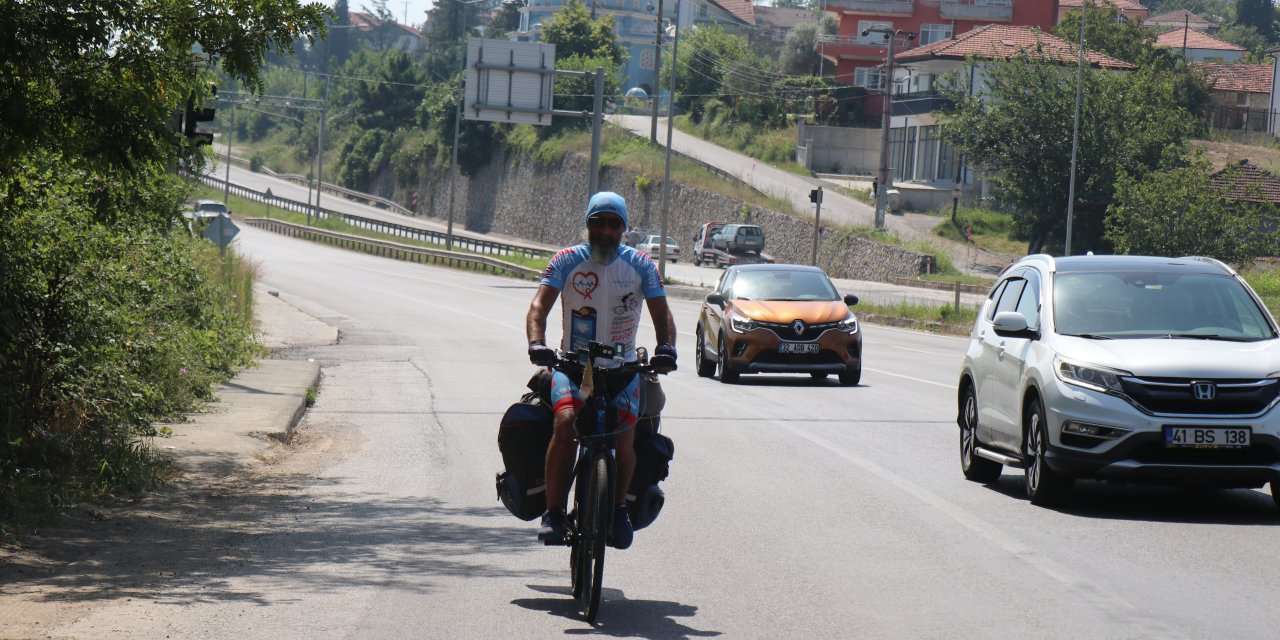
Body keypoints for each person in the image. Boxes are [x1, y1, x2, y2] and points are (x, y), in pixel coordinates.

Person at [526, 191, 677, 550]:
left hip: (623, 370)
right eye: (599, 223)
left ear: (624, 229)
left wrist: (666, 349)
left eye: (614, 224)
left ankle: (619, 507)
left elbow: (662, 315)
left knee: (625, 437)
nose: (606, 231)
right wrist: (537, 343)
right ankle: (553, 513)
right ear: (588, 225)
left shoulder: (641, 265)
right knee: (565, 426)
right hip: (575, 368)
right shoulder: (566, 260)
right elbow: (538, 308)